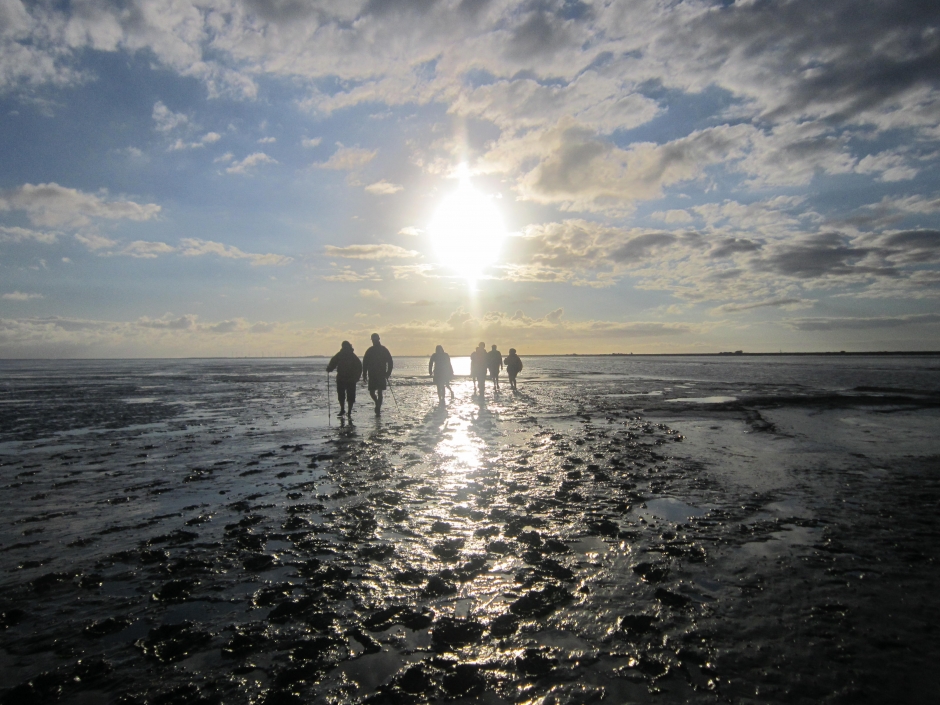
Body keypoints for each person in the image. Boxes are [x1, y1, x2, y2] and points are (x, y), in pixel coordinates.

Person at [326, 340, 362, 417]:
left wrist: (356, 377)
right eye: (344, 347)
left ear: (349, 347)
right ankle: (342, 409)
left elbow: (359, 367)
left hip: (351, 379)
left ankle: (349, 411)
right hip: (341, 378)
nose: (345, 348)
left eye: (346, 346)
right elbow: (333, 362)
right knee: (341, 395)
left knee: (351, 396)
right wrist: (329, 368)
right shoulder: (339, 355)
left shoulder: (353, 356)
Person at [362, 332, 393, 414]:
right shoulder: (370, 350)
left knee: (380, 392)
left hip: (381, 374)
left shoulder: (384, 350)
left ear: (378, 339)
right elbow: (365, 363)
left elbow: (390, 362)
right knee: (372, 392)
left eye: (375, 340)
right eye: (373, 340)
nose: (374, 341)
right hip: (372, 375)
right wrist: (364, 374)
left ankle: (378, 407)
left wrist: (388, 373)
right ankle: (377, 403)